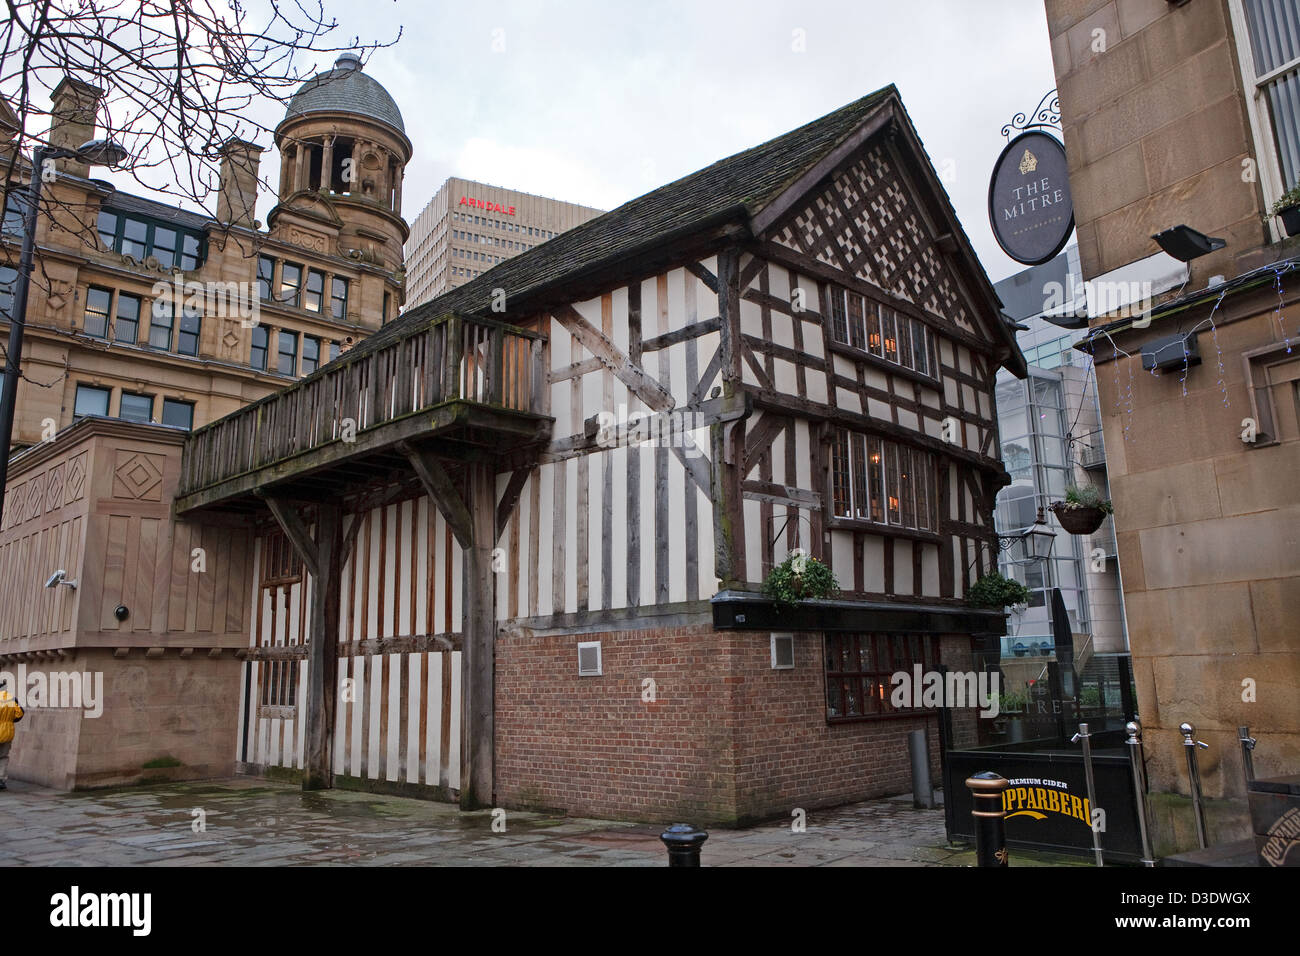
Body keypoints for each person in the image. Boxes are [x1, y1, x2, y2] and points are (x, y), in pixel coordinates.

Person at [0, 678, 23, 790]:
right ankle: (1, 780)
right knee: (3, 756)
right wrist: (9, 721)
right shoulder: (11, 699)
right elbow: (20, 714)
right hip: (7, 732)